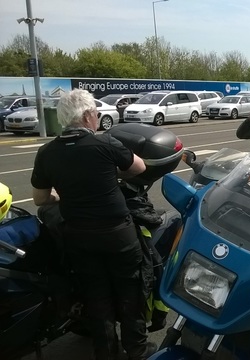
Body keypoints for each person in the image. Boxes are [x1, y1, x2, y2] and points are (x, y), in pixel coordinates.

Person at [30, 89, 154, 360]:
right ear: (87, 116)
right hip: (117, 235)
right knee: (130, 293)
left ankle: (106, 352)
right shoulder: (105, 144)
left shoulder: (47, 152)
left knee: (97, 298)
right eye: (96, 114)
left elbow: (40, 198)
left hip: (79, 237)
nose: (97, 118)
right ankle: (137, 351)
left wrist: (64, 193)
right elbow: (140, 168)